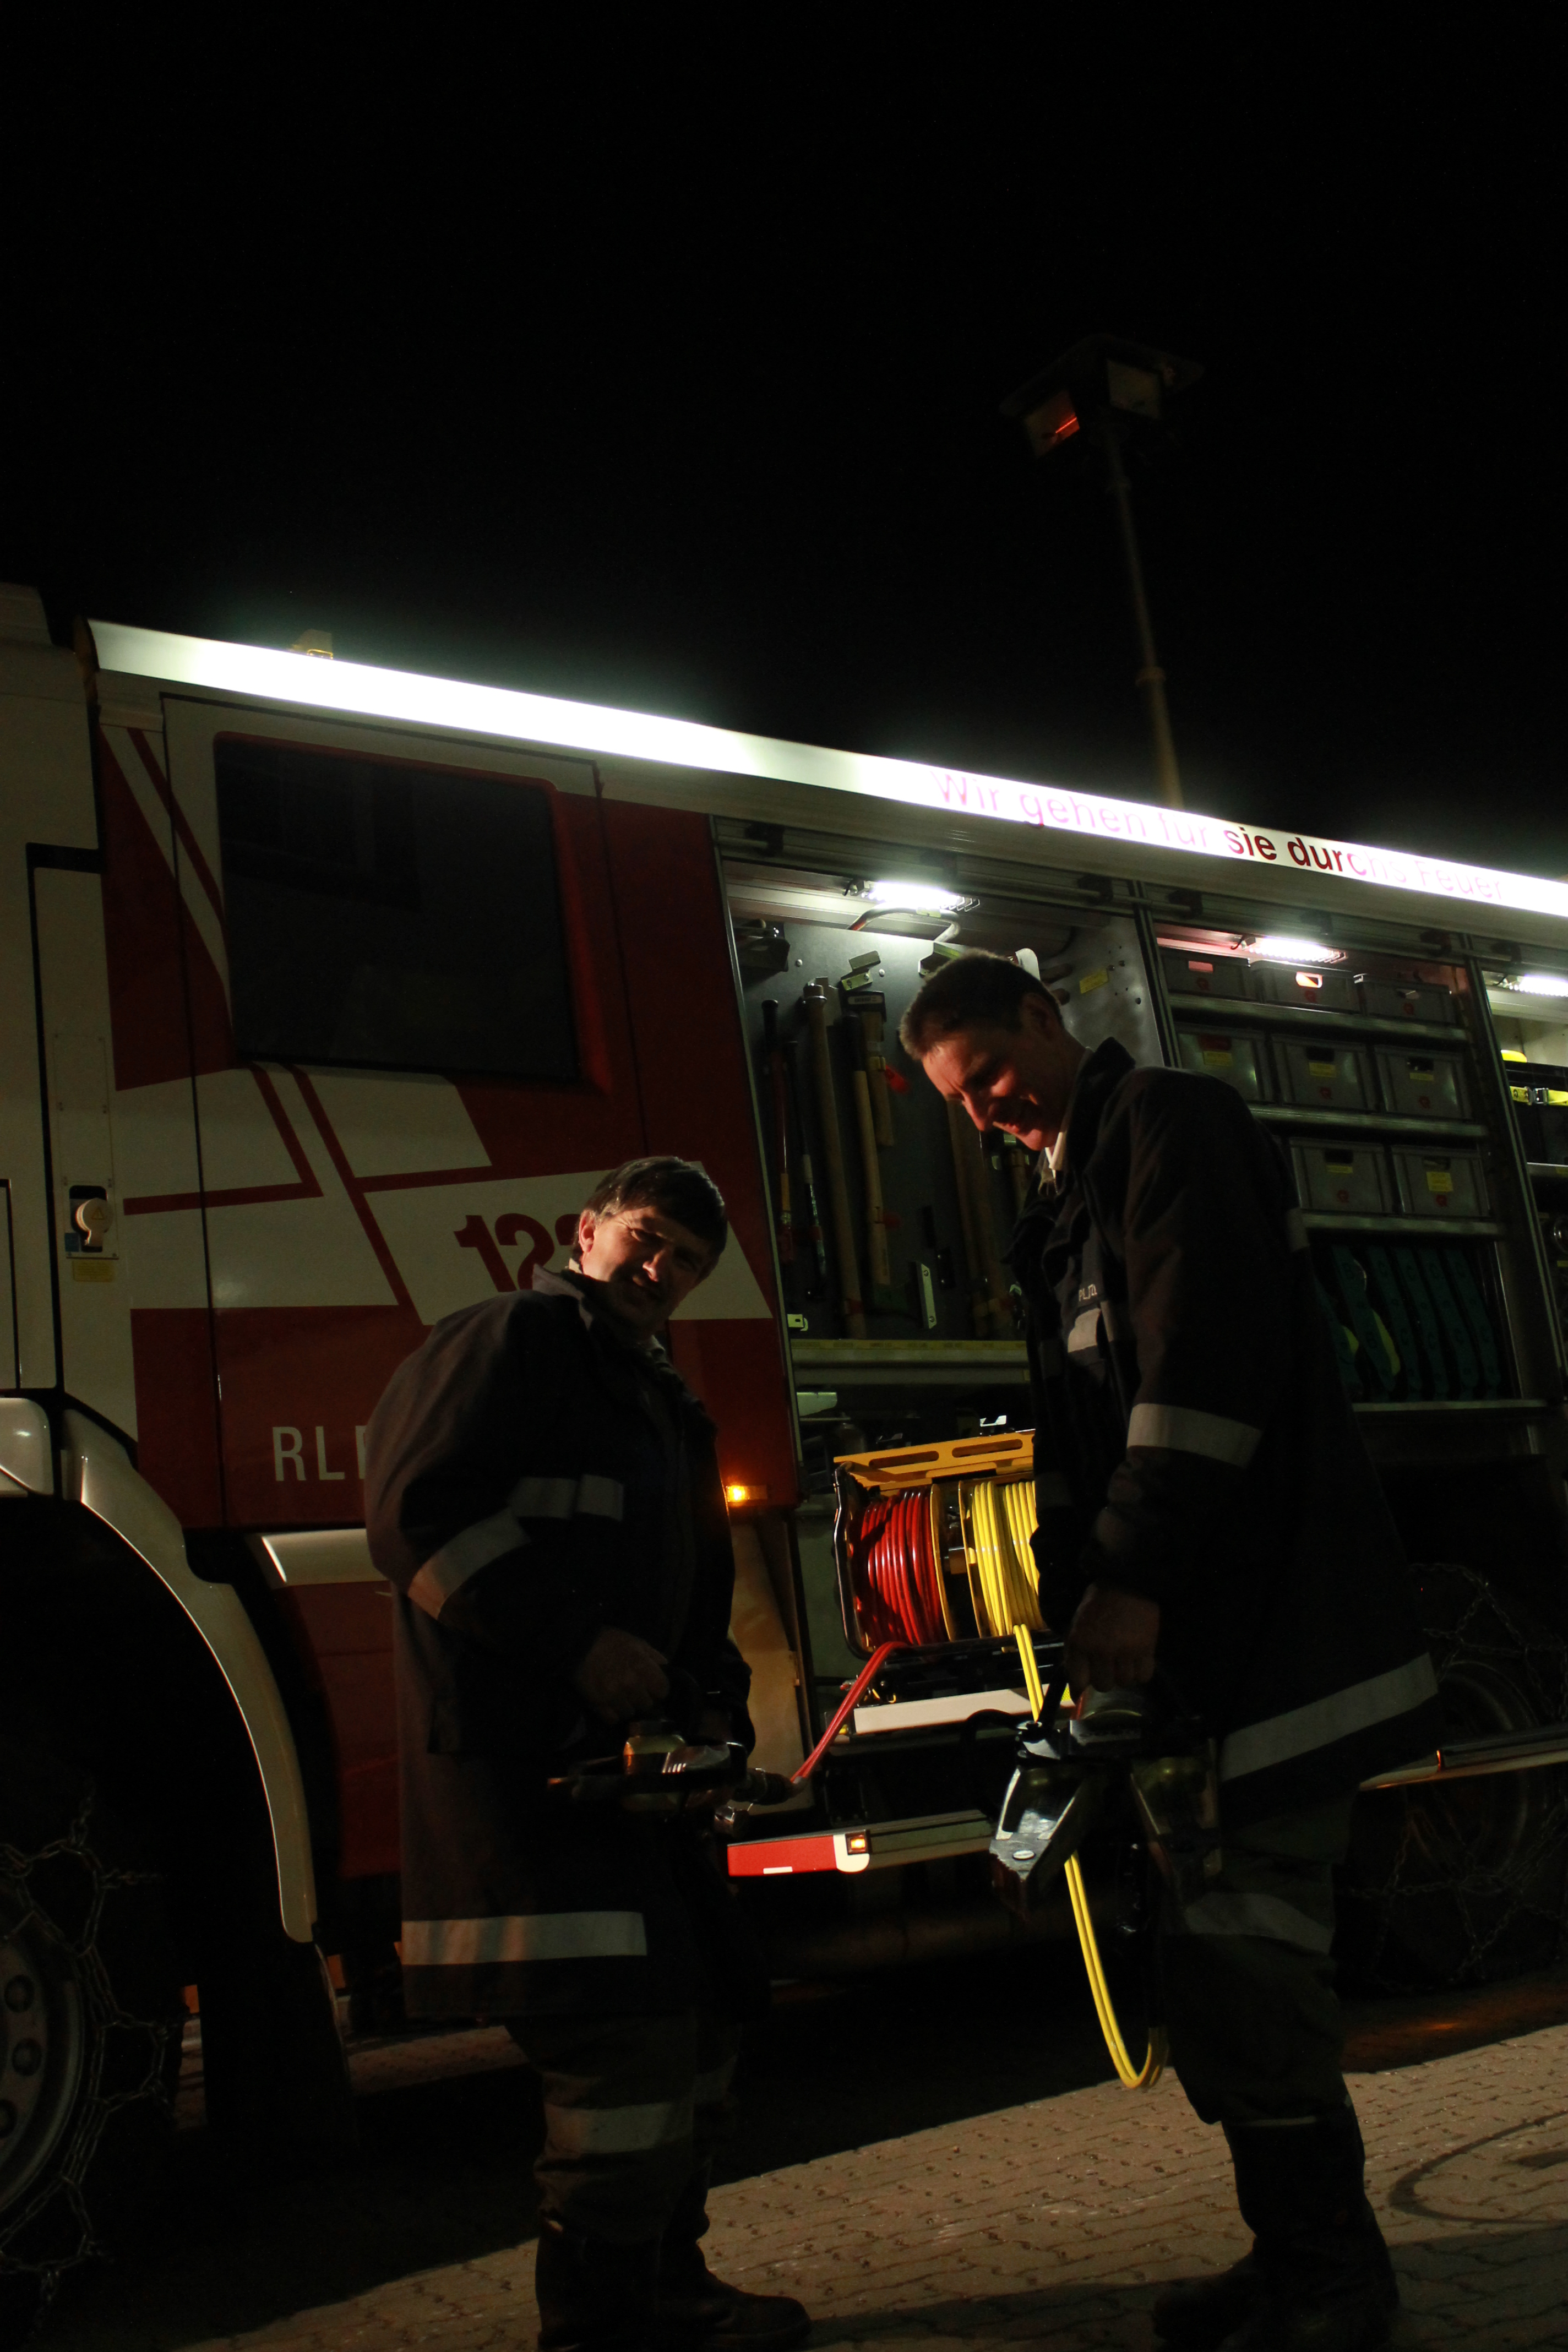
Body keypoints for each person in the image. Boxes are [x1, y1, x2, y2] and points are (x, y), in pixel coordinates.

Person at [900, 953, 1442, 2352]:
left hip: (1261, 1640)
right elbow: (1088, 1430)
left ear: (1045, 1016)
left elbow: (1201, 1369)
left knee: (1250, 1962)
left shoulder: (1167, 1127)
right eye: (958, 1102)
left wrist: (1131, 1579)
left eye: (990, 1075)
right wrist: (1086, 1606)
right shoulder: (1069, 1203)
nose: (985, 1112)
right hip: (1197, 1658)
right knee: (1214, 1966)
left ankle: (1333, 2283)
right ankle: (1294, 2257)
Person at [364, 1157, 809, 2352]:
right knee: (625, 2069)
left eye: (687, 1264)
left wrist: (714, 1720)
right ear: (586, 1230)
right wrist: (576, 1645)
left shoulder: (658, 1400)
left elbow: (690, 1606)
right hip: (530, 1798)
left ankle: (669, 2290)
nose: (660, 1272)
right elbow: (412, 1516)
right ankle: (601, 2330)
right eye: (647, 1240)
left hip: (628, 1807)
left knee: (704, 2025)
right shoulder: (511, 1342)